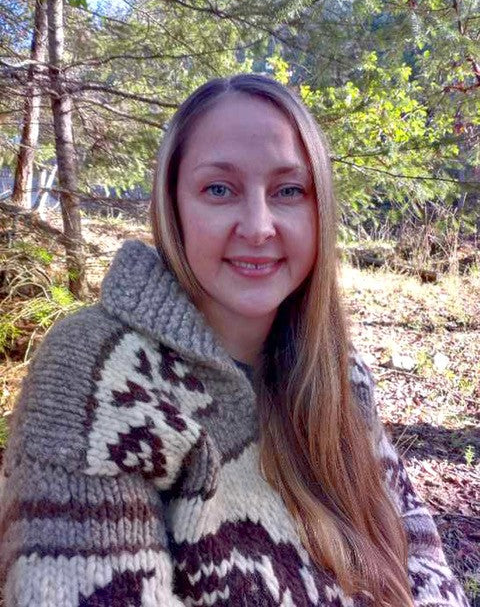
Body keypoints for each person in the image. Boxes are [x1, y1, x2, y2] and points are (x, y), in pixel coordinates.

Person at [0, 74, 469, 607]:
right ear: (172, 206)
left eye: (288, 191)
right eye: (219, 189)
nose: (258, 226)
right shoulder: (96, 376)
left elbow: (415, 543)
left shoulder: (339, 372)